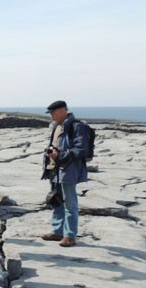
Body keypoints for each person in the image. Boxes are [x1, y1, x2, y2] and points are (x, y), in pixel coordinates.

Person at [41, 100, 89, 247]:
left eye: (53, 113)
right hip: (54, 169)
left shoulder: (77, 127)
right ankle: (57, 231)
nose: (51, 116)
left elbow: (81, 150)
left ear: (63, 111)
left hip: (68, 170)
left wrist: (60, 155)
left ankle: (70, 235)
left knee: (70, 203)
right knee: (56, 200)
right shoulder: (57, 126)